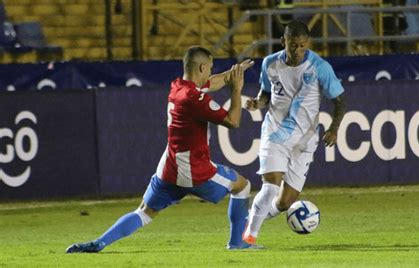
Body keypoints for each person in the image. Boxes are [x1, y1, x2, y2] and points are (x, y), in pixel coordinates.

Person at [66, 46, 258, 253]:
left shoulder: (178, 86)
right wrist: (236, 89)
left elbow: (211, 83)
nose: (211, 72)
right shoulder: (195, 99)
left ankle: (99, 242)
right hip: (194, 169)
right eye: (210, 68)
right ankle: (238, 243)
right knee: (242, 186)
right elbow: (233, 121)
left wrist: (233, 74)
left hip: (170, 167)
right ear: (202, 67)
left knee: (144, 212)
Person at [243, 20, 346, 246]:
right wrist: (257, 103)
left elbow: (339, 101)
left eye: (302, 45)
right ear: (284, 42)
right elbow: (266, 94)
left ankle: (251, 217)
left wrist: (334, 128)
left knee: (284, 202)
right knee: (270, 185)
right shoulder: (270, 64)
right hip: (276, 132)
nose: (298, 50)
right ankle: (249, 236)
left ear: (307, 42)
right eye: (293, 45)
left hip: (305, 141)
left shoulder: (320, 67)